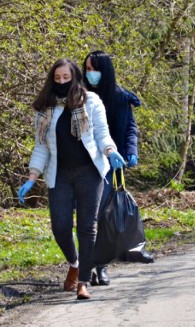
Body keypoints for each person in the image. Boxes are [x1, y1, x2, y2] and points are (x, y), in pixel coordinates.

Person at [17, 58, 125, 300]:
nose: (62, 82)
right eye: (57, 79)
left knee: (87, 227)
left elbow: (101, 134)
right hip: (60, 173)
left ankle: (83, 282)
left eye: (66, 78)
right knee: (60, 226)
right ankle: (75, 263)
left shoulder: (91, 101)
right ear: (51, 80)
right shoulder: (46, 108)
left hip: (89, 171)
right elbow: (41, 146)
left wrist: (111, 151)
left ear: (75, 77)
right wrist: (32, 176)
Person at [82, 50, 148, 287]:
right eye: (87, 69)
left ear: (105, 70)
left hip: (111, 165)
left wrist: (131, 151)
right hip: (85, 164)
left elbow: (130, 128)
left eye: (94, 69)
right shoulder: (79, 96)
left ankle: (100, 266)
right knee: (87, 218)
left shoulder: (120, 97)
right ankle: (86, 267)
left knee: (104, 216)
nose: (90, 74)